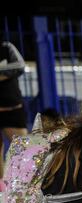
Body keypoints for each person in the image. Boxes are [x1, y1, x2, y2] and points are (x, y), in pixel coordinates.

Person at [0, 41, 28, 188]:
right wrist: (5, 72)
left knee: (25, 152)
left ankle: (26, 189)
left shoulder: (6, 47)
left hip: (12, 108)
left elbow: (19, 66)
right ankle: (2, 193)